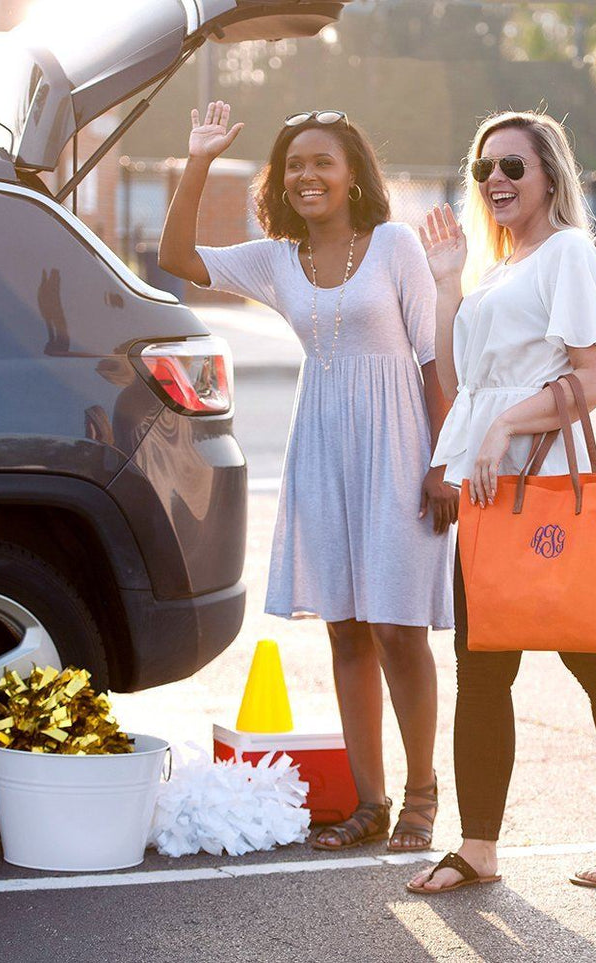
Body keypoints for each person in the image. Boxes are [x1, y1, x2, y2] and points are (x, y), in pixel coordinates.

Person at [159, 102, 457, 852]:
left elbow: (431, 359)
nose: (306, 175)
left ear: (353, 173)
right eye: (293, 164)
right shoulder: (276, 257)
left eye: (322, 161)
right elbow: (178, 259)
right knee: (347, 628)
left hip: (398, 446)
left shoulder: (393, 246)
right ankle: (371, 802)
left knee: (397, 626)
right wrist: (197, 158)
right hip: (322, 444)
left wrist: (444, 461)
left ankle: (421, 795)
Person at [406, 110, 596, 893]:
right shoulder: (502, 266)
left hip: (545, 486)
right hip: (492, 490)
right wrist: (445, 283)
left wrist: (506, 425)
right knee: (481, 668)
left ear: (549, 177)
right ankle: (479, 848)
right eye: (482, 169)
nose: (494, 180)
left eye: (512, 167)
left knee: (595, 657)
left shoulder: (566, 252)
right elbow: (458, 386)